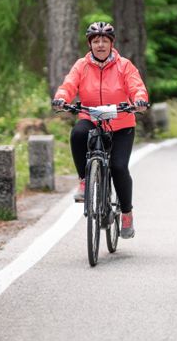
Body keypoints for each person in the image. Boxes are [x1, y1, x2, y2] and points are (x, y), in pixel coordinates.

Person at [52, 22, 149, 239]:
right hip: (91, 118)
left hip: (121, 123)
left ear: (111, 43)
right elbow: (69, 85)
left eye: (105, 40)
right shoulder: (81, 65)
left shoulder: (124, 66)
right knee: (78, 133)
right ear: (90, 44)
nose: (101, 45)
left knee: (118, 167)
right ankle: (85, 181)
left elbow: (136, 86)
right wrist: (61, 98)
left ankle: (126, 213)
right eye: (96, 41)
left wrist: (140, 100)